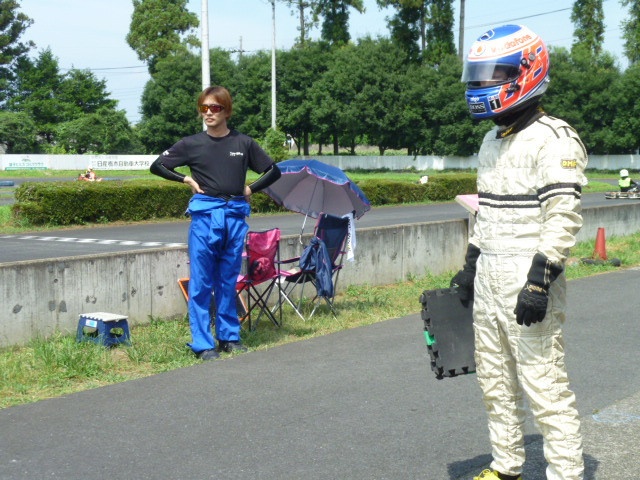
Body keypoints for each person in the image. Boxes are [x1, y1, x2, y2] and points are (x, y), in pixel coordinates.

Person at [451, 25, 587, 480]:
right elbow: (487, 211)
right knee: (495, 383)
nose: (481, 83)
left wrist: (539, 281)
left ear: (526, 72)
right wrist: (470, 267)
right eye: (477, 75)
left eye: (492, 74)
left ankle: (565, 474)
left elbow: (563, 217)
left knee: (544, 385)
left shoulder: (555, 138)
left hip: (529, 274)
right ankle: (506, 466)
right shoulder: (491, 139)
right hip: (491, 271)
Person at [150, 85, 281, 361]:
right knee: (201, 282)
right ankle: (203, 343)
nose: (209, 113)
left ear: (226, 111)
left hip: (234, 216)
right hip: (206, 218)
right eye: (204, 108)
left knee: (227, 280)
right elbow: (158, 166)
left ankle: (229, 337)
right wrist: (185, 179)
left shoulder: (243, 143)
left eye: (215, 108)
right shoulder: (191, 144)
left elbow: (273, 171)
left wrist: (250, 188)